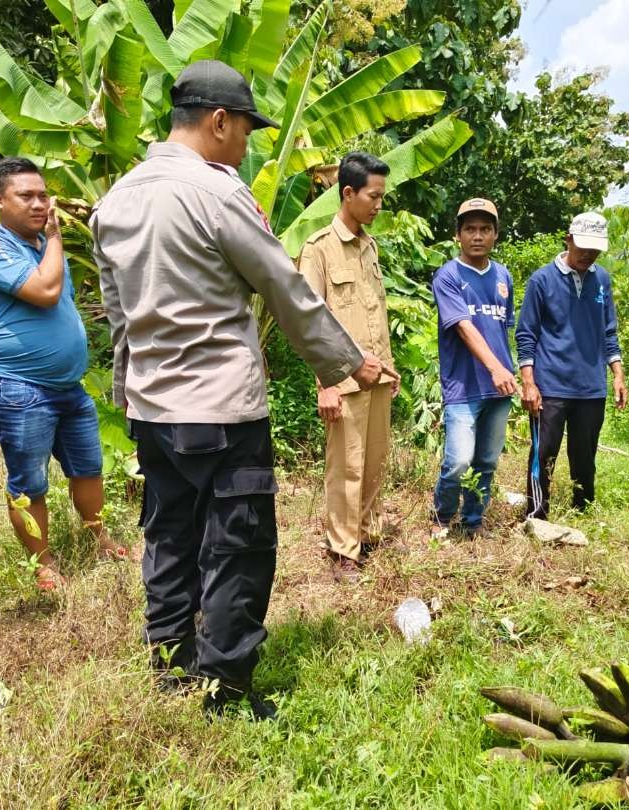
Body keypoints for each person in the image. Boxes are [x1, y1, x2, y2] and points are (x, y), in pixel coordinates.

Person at [90, 60, 388, 720]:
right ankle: (226, 692)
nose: (249, 143)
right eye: (246, 129)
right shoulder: (215, 194)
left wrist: (128, 393)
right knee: (237, 547)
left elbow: (118, 317)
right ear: (219, 120)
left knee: (169, 537)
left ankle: (171, 667)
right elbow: (286, 290)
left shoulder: (115, 202)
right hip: (221, 407)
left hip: (152, 408)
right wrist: (349, 363)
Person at [0, 157, 128, 593]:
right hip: (15, 386)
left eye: (42, 195)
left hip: (67, 387)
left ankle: (99, 538)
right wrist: (55, 235)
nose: (39, 204)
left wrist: (49, 242)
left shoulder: (44, 248)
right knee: (29, 481)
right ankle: (43, 562)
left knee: (88, 467)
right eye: (26, 196)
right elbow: (44, 292)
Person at [297, 152, 399, 582]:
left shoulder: (370, 247)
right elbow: (309, 322)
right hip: (343, 380)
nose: (378, 205)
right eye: (373, 197)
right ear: (348, 193)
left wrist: (390, 368)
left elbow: (374, 309)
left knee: (375, 459)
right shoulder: (318, 250)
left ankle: (367, 534)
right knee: (346, 467)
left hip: (378, 376)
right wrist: (325, 384)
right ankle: (342, 551)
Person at [515, 211, 628, 519]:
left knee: (584, 457)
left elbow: (609, 332)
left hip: (591, 386)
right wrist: (529, 382)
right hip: (551, 385)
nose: (588, 255)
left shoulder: (601, 279)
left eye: (595, 250)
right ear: (568, 240)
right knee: (543, 453)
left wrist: (617, 374)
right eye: (583, 248)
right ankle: (536, 515)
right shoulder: (542, 280)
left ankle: (583, 512)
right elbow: (526, 334)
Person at [431, 199, 520, 537]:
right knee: (458, 461)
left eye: (485, 229)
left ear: (496, 235)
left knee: (486, 462)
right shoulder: (449, 276)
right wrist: (497, 368)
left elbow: (502, 328)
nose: (478, 236)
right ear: (458, 235)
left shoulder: (503, 276)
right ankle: (441, 515)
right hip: (464, 386)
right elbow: (464, 327)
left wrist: (508, 372)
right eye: (470, 229)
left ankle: (473, 522)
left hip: (500, 388)